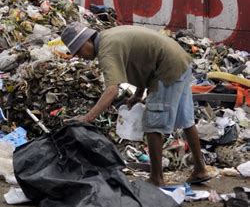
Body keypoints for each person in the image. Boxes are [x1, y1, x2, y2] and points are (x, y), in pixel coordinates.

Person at [61, 22, 211, 187]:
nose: (80, 57)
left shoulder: (107, 50)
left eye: (79, 51)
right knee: (186, 120)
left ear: (86, 41)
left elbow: (112, 90)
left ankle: (156, 178)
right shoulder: (110, 36)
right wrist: (138, 94)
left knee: (152, 125)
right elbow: (143, 60)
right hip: (179, 60)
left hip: (166, 68)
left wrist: (87, 118)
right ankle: (200, 169)